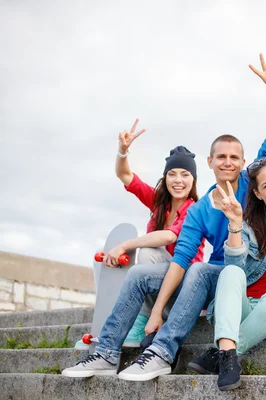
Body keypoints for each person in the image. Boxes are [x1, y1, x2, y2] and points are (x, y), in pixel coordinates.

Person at [61, 54, 266, 380]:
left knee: (198, 268)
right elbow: (179, 259)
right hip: (210, 278)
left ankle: (161, 353)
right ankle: (107, 352)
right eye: (221, 156)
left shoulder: (253, 185)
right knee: (141, 274)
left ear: (243, 161)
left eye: (234, 157)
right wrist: (156, 312)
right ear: (210, 161)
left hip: (239, 277)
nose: (228, 162)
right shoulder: (199, 210)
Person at [74, 120, 205, 350]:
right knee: (130, 262)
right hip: (157, 281)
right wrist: (122, 151)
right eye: (172, 174)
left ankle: (141, 319)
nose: (178, 180)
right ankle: (116, 323)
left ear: (193, 179)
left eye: (185, 174)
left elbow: (168, 237)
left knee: (145, 254)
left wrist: (125, 245)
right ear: (165, 178)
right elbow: (125, 176)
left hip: (183, 283)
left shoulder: (194, 208)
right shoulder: (158, 201)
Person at [188, 155, 266, 391]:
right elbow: (235, 268)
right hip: (238, 311)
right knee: (230, 272)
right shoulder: (249, 224)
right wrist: (236, 223)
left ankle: (221, 354)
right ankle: (228, 356)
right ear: (258, 193)